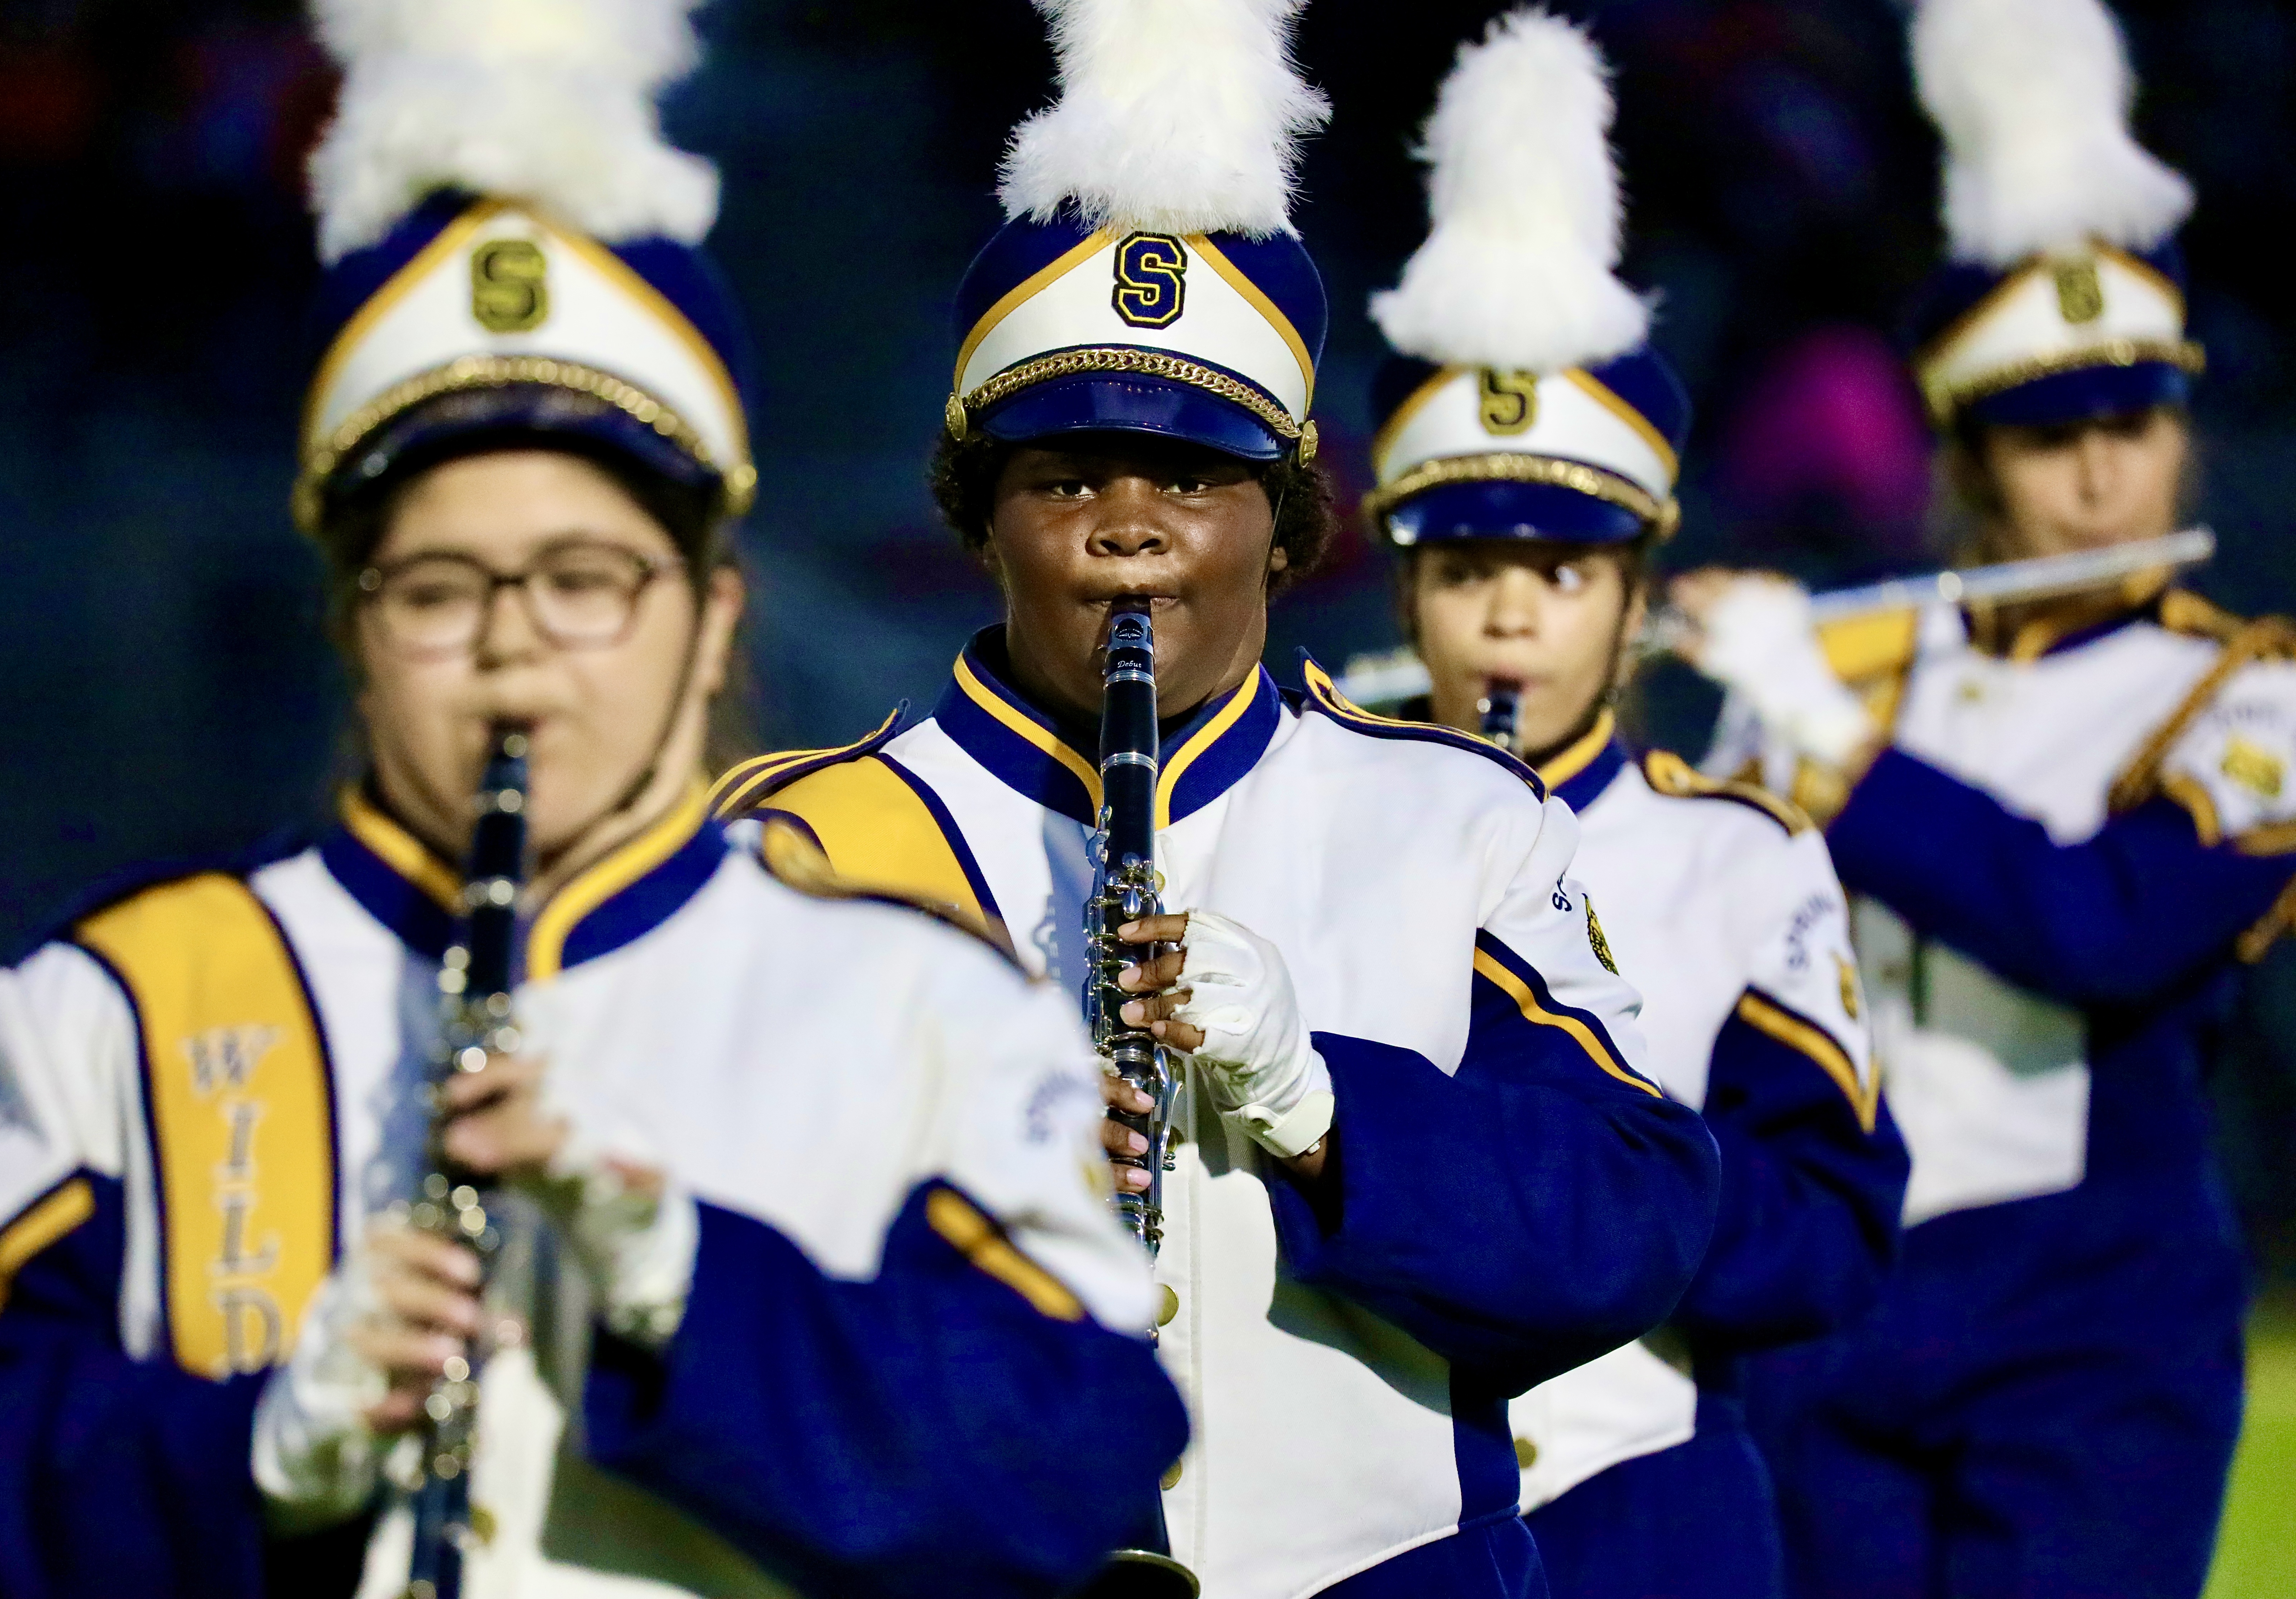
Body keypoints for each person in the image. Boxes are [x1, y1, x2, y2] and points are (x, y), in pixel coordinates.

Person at [0, 4, 1186, 1596]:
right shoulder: (109, 1007)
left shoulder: (925, 1011)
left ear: (713, 618)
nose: (514, 645)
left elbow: (1072, 1468)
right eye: (440, 587)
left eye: (586, 581)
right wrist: (251, 1453)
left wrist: (678, 1281)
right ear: (350, 620)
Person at [710, 4, 1721, 1595]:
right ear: (987, 520)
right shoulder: (804, 844)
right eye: (1065, 479)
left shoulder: (1458, 820)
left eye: (1191, 479)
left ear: (1288, 515)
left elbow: (1636, 1223)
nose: (1131, 529)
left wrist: (1322, 1104)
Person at [1674, 0, 2296, 1594]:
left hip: (2091, 1318)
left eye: (2133, 423)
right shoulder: (1856, 652)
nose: (2102, 478)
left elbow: (2101, 924)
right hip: (1836, 1301)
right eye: (2047, 435)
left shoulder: (2254, 693)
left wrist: (1830, 746)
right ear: (1970, 457)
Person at [1362, 16, 1910, 1598]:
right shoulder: (1312, 814)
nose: (1514, 617)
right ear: (1408, 583)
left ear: (1640, 591)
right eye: (1468, 571)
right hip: (1374, 1514)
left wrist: (1596, 1214)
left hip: (1644, 1501)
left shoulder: (1735, 853)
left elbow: (1828, 1227)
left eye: (1564, 570)